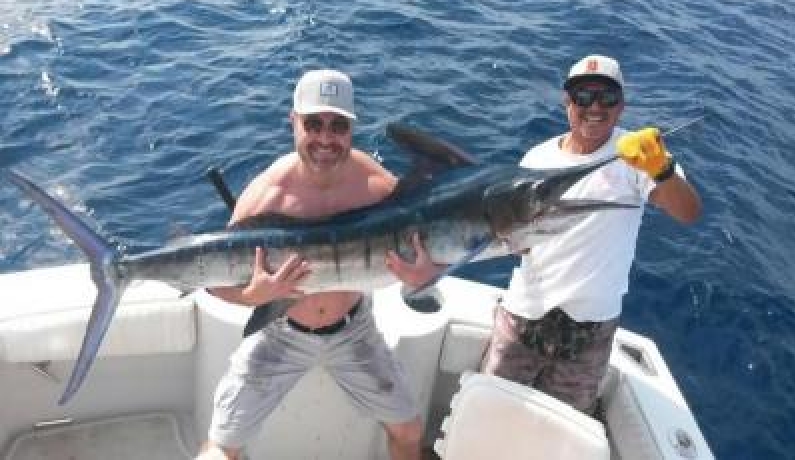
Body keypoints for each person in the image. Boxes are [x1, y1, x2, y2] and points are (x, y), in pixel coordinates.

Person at [197, 69, 433, 460]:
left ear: (352, 128)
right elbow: (212, 279)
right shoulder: (266, 196)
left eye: (338, 126)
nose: (325, 138)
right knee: (221, 447)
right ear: (293, 121)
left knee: (409, 432)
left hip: (354, 330)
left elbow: (423, 249)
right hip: (279, 332)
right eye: (313, 124)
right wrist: (251, 296)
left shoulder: (378, 188)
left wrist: (424, 275)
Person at [480, 54, 702, 415]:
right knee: (491, 408)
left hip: (591, 328)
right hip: (525, 312)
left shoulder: (641, 154)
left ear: (621, 105)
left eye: (606, 97)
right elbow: (516, 238)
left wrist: (661, 169)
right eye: (583, 97)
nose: (595, 107)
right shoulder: (537, 158)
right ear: (567, 102)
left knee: (564, 425)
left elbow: (688, 212)